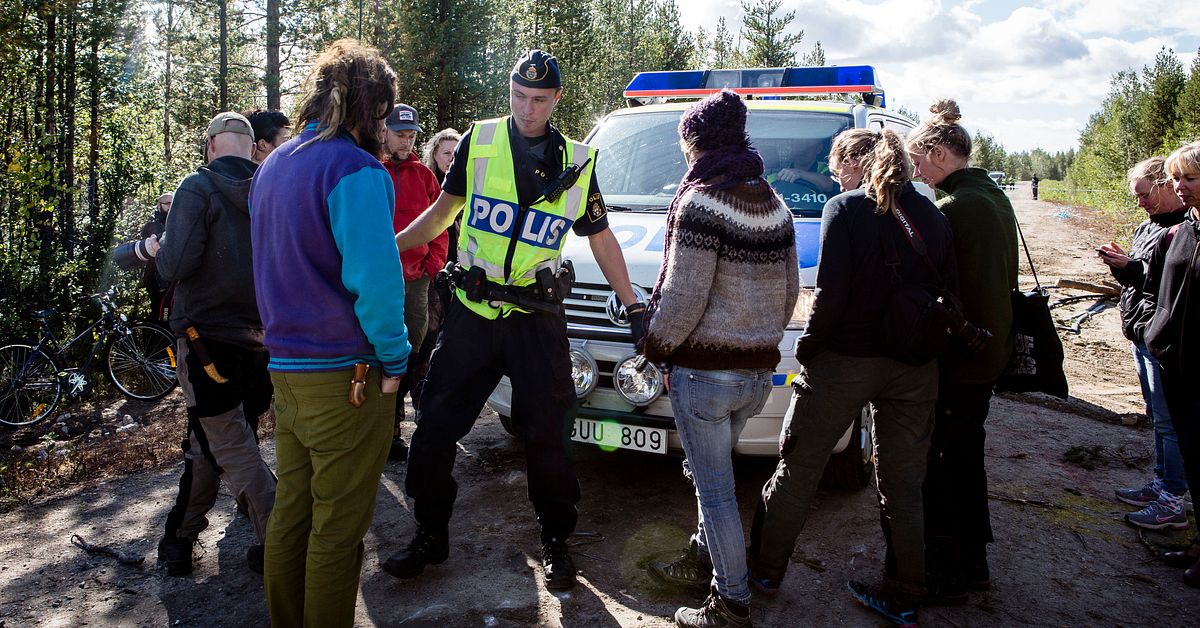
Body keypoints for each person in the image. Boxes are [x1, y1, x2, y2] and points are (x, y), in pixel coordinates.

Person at [384, 49, 641, 592]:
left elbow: (600, 236)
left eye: (540, 100)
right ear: (509, 93)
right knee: (433, 429)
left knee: (548, 437)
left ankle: (556, 541)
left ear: (557, 101)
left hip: (536, 319)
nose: (527, 109)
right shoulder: (479, 141)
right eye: (519, 97)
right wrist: (384, 251)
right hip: (473, 315)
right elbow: (440, 216)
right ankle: (430, 534)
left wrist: (635, 306)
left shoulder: (578, 159)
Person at [746, 127, 955, 626]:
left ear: (856, 163)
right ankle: (905, 594)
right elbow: (949, 294)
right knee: (903, 485)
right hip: (914, 368)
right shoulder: (933, 216)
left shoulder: (844, 208)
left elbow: (831, 293)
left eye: (838, 166)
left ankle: (764, 572)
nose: (835, 176)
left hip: (845, 362)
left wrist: (808, 350)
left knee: (799, 466)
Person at [249, 39, 410, 626]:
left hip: (286, 374)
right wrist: (396, 360)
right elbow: (377, 283)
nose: (389, 122)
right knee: (337, 531)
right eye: (387, 109)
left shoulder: (274, 165)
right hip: (348, 378)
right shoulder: (356, 170)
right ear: (370, 106)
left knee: (292, 515)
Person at [639, 89, 798, 628]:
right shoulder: (773, 202)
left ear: (698, 142)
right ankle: (703, 559)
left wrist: (652, 345)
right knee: (715, 477)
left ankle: (730, 605)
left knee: (716, 490)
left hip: (705, 376)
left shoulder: (700, 200)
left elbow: (684, 297)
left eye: (687, 144)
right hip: (755, 375)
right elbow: (790, 289)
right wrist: (758, 339)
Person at [153, 111, 276, 577]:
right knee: (212, 441)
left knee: (229, 443)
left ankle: (282, 534)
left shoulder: (196, 186)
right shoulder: (273, 185)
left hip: (206, 340)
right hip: (263, 341)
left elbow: (175, 265)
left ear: (209, 146)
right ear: (252, 148)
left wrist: (158, 247)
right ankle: (179, 540)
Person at [906, 99, 1018, 602]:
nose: (917, 172)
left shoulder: (956, 206)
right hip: (990, 349)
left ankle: (949, 567)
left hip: (965, 353)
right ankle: (972, 561)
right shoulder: (993, 196)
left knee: (947, 461)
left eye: (920, 161)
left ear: (940, 153)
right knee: (967, 454)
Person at [1099, 157, 1188, 531]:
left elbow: (1164, 286)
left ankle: (1174, 498)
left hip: (1162, 337)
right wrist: (1123, 265)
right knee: (1158, 416)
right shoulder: (1149, 227)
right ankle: (1162, 481)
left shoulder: (1185, 231)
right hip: (1141, 333)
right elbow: (1142, 277)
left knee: (1170, 422)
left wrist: (1131, 269)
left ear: (1166, 186)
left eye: (1144, 194)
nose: (1140, 203)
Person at [1144, 140, 1200, 587]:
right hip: (1176, 364)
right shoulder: (1186, 228)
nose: (1180, 186)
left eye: (1190, 178)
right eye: (1177, 178)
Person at [381, 103, 445, 461]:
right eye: (400, 135)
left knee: (413, 347)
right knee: (381, 350)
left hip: (416, 280)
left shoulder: (424, 177)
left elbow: (441, 223)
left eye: (411, 136)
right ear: (384, 133)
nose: (406, 142)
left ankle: (396, 422)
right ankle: (385, 431)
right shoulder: (373, 170)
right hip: (380, 280)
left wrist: (431, 265)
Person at [139, 192, 173, 321]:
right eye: (167, 203)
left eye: (173, 203)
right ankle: (150, 339)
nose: (171, 206)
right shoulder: (153, 225)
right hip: (156, 278)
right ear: (159, 205)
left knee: (166, 312)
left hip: (166, 275)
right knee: (160, 313)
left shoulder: (169, 222)